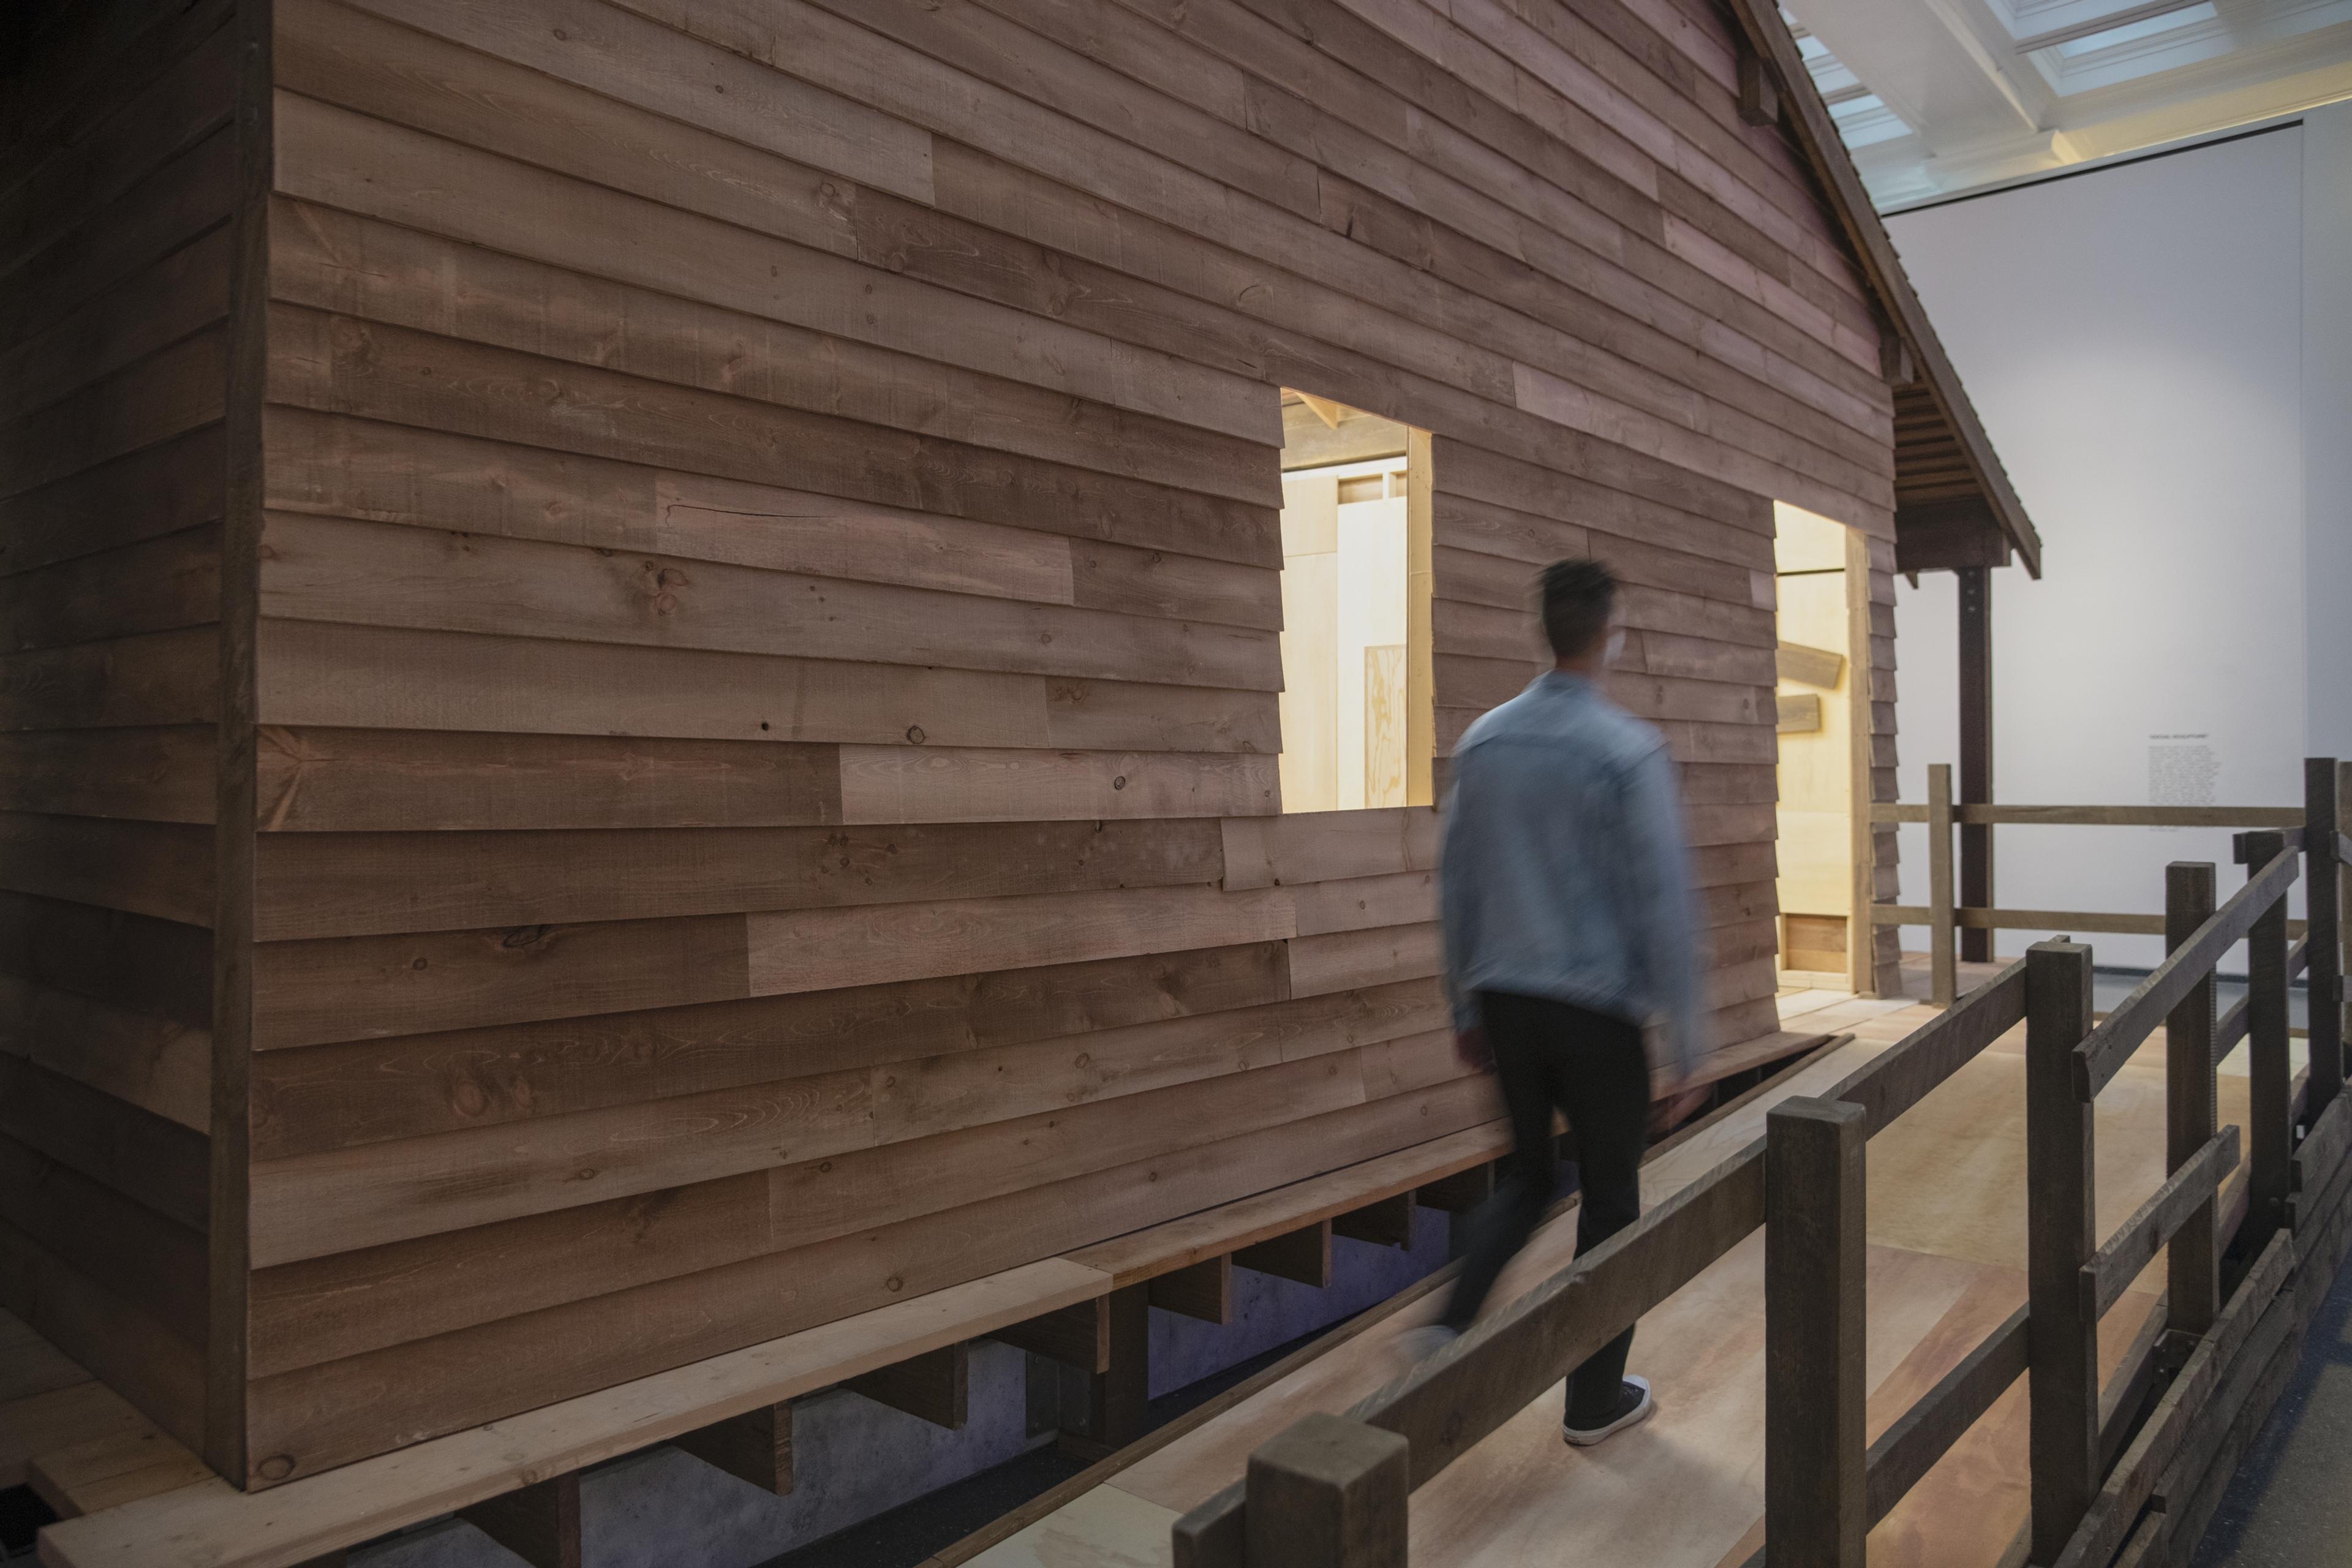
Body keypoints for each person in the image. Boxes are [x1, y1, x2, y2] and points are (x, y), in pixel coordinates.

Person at [1407, 557, 1706, 1448]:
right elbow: (1663, 897)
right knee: (1612, 1201)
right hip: (1597, 1012)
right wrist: (1689, 1041)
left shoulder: (1486, 743)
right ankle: (1592, 1400)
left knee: (1532, 1175)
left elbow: (1456, 885)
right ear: (1609, 633)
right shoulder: (1627, 750)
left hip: (1505, 1000)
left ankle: (1448, 1324)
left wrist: (1463, 1006)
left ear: (1541, 629)